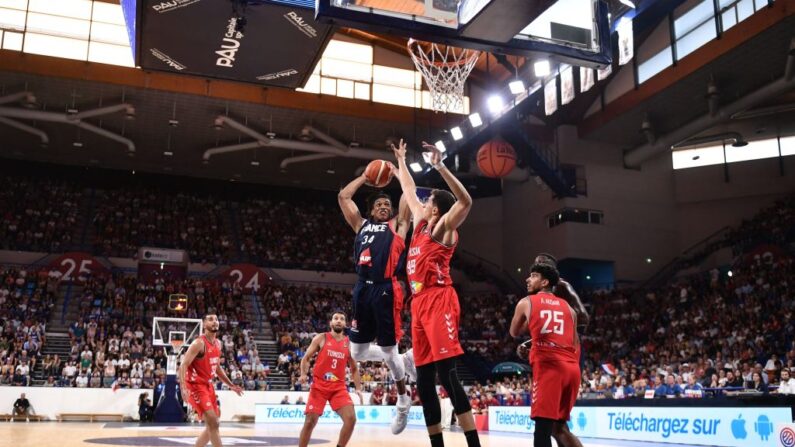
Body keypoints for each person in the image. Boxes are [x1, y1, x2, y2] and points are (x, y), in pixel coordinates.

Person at [392, 139, 481, 447]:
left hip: (440, 299)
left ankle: (474, 445)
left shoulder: (443, 228)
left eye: (428, 199)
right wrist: (401, 161)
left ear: (437, 208)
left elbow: (465, 201)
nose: (423, 201)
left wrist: (440, 165)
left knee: (447, 375)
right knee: (425, 382)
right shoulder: (419, 224)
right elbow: (407, 188)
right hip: (418, 304)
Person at [338, 159, 416, 434]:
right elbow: (343, 196)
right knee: (356, 353)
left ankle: (404, 401)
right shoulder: (360, 226)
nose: (384, 207)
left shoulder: (399, 226)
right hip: (362, 289)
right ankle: (403, 359)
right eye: (379, 205)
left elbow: (409, 194)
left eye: (387, 205)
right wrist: (364, 178)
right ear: (371, 210)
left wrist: (400, 170)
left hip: (386, 289)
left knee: (387, 350)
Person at [510, 263, 583, 447]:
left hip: (550, 369)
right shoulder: (569, 307)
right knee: (559, 428)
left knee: (542, 429)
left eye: (533, 276)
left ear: (544, 282)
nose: (528, 279)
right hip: (572, 370)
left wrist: (532, 333)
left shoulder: (526, 302)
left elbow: (514, 332)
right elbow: (572, 342)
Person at [298, 312, 363, 447]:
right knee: (310, 421)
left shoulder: (349, 344)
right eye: (336, 318)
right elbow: (306, 358)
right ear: (331, 323)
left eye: (342, 319)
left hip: (338, 387)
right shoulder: (321, 338)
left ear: (345, 324)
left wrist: (358, 388)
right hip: (319, 386)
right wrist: (303, 373)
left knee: (351, 419)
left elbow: (354, 368)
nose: (338, 321)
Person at [178, 314, 243, 447]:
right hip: (195, 386)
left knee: (213, 424)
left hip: (208, 385)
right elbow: (183, 365)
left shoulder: (218, 343)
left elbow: (217, 368)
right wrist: (183, 387)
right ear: (204, 324)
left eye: (216, 319)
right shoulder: (199, 343)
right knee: (213, 422)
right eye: (210, 319)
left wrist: (231, 385)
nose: (215, 322)